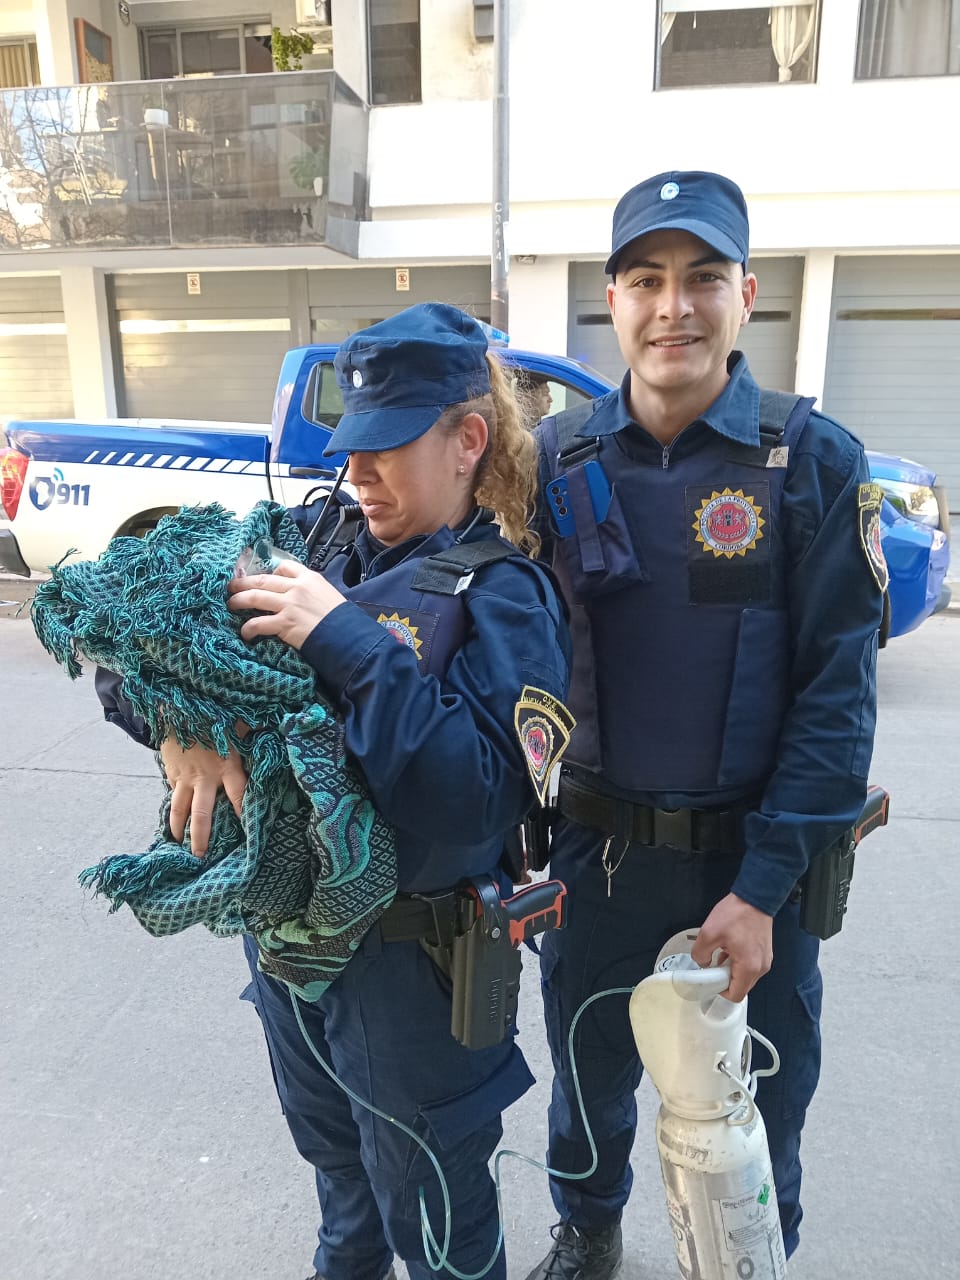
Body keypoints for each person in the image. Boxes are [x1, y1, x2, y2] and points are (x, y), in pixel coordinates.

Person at [98, 303, 573, 1280]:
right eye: (351, 443)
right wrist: (185, 732)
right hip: (295, 955)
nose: (357, 471)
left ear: (467, 441)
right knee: (342, 1185)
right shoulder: (313, 540)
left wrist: (344, 639)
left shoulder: (507, 597)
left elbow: (478, 796)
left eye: (387, 446)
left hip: (417, 975)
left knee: (438, 1226)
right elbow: (130, 638)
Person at [523, 171, 886, 1280]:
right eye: (646, 279)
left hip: (753, 864)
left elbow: (837, 699)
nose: (672, 306)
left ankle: (752, 1255)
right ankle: (589, 1230)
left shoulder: (812, 461)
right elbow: (495, 654)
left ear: (747, 296)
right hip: (598, 856)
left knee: (759, 1098)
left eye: (702, 278)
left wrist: (765, 888)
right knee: (589, 1074)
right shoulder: (554, 460)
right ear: (612, 300)